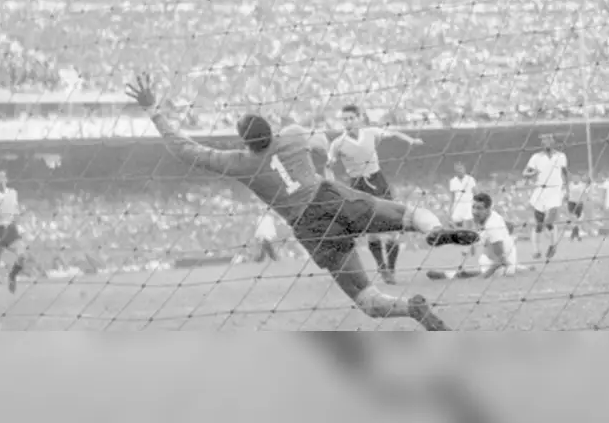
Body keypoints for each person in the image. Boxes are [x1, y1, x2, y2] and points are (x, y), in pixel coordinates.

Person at [125, 73, 477, 330]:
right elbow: (322, 144)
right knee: (409, 215)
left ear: (245, 142)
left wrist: (154, 110)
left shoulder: (239, 163)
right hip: (331, 197)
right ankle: (432, 231)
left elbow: (186, 150)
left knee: (365, 298)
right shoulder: (292, 136)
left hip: (309, 227)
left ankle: (410, 308)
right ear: (270, 129)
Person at [326, 104, 424, 284]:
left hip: (378, 181)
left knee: (393, 226)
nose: (348, 122)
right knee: (371, 230)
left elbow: (393, 133)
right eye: (344, 119)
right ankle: (382, 267)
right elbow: (329, 165)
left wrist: (410, 140)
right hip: (357, 185)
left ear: (359, 118)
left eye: (351, 118)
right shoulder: (338, 144)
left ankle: (391, 270)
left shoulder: (371, 133)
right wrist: (331, 181)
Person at [427, 192, 522, 280]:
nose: (475, 211)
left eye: (479, 208)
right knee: (470, 269)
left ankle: (447, 275)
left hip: (502, 267)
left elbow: (502, 260)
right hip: (492, 259)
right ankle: (451, 274)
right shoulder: (490, 217)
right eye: (473, 207)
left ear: (488, 209)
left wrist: (481, 277)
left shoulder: (493, 226)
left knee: (469, 274)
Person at [522, 134, 569, 260]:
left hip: (555, 190)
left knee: (549, 221)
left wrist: (567, 191)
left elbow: (565, 173)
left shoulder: (560, 156)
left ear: (553, 142)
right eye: (544, 140)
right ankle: (536, 250)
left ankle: (553, 245)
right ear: (541, 143)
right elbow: (525, 173)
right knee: (539, 224)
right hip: (540, 191)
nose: (547, 142)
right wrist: (532, 173)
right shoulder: (536, 157)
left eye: (549, 139)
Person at [0, 170, 27, 293]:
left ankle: (12, 275)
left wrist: (18, 217)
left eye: (2, 177)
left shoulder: (13, 193)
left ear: (6, 179)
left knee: (22, 255)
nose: (0, 180)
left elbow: (16, 210)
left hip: (10, 229)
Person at [448, 162, 478, 228]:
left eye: (460, 169)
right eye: (457, 169)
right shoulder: (453, 181)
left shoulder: (470, 179)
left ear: (464, 169)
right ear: (455, 171)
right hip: (457, 205)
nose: (459, 171)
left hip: (468, 204)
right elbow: (452, 197)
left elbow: (476, 193)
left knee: (468, 223)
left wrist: (476, 205)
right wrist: (450, 209)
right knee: (455, 224)